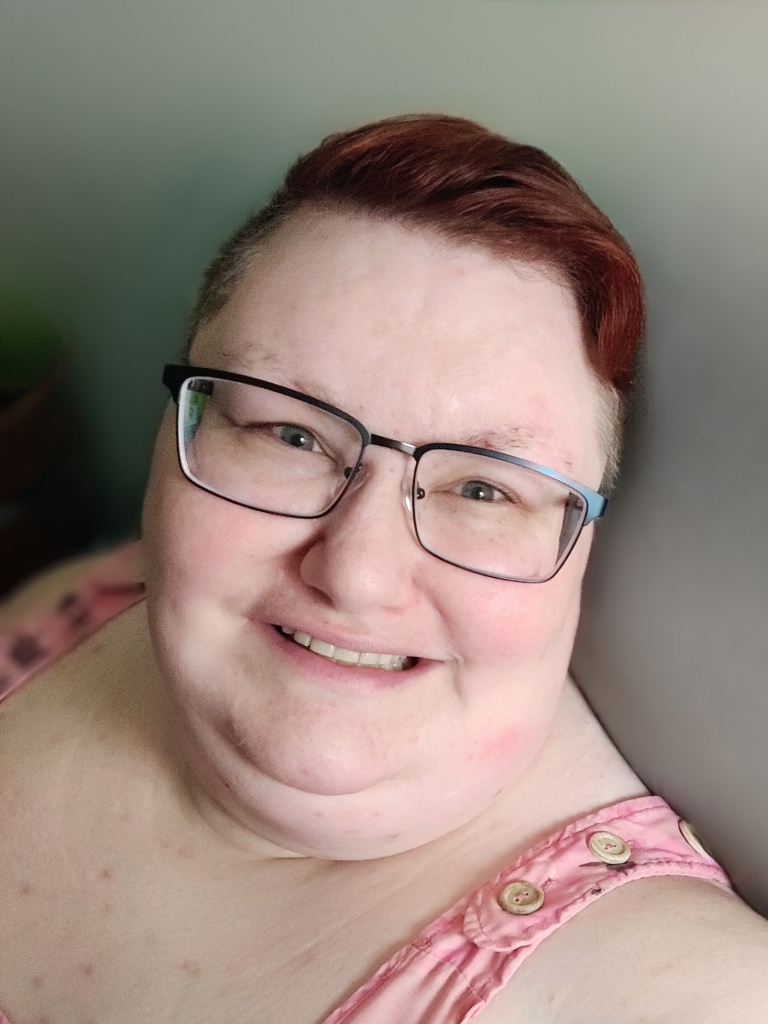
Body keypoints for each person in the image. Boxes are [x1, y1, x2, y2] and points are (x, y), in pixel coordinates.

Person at [1, 114, 766, 1024]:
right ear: (177, 440)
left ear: (581, 546)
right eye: (290, 433)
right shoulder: (80, 604)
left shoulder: (682, 994)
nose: (355, 574)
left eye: (482, 489)